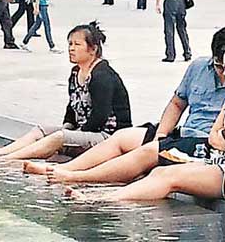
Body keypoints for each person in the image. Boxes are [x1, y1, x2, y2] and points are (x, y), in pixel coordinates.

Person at [33, 28, 225, 183]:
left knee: (148, 152)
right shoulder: (199, 67)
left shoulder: (101, 75)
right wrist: (161, 135)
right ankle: (64, 168)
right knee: (123, 137)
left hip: (203, 142)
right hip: (182, 132)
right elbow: (176, 104)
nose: (222, 73)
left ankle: (76, 177)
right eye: (218, 66)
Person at [0, 22, 132, 161]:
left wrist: (70, 135)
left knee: (59, 138)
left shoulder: (102, 76)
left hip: (108, 136)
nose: (71, 49)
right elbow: (71, 108)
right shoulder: (76, 72)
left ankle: (9, 159)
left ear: (93, 49)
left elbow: (99, 117)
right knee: (41, 130)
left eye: (77, 44)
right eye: (70, 44)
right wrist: (66, 127)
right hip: (84, 131)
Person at [65, 108, 225, 202]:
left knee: (169, 176)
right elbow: (214, 136)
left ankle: (102, 200)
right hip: (216, 158)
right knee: (159, 171)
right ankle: (103, 195)